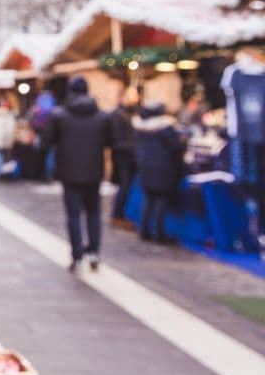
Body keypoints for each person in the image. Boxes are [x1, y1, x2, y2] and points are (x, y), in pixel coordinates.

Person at [45, 76, 113, 272]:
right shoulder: (102, 117)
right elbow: (109, 141)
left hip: (69, 172)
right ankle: (93, 251)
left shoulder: (60, 115)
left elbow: (49, 139)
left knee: (73, 215)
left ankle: (77, 255)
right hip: (94, 171)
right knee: (93, 213)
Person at [133, 102, 184, 243]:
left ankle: (144, 230)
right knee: (161, 200)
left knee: (149, 199)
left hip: (145, 168)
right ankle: (159, 233)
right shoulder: (165, 128)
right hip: (163, 168)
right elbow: (176, 147)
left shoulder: (141, 128)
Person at [110, 87, 140, 229]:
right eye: (132, 95)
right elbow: (116, 139)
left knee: (126, 187)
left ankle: (121, 214)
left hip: (130, 156)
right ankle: (117, 215)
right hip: (124, 157)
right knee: (124, 186)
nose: (136, 98)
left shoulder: (132, 113)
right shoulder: (118, 115)